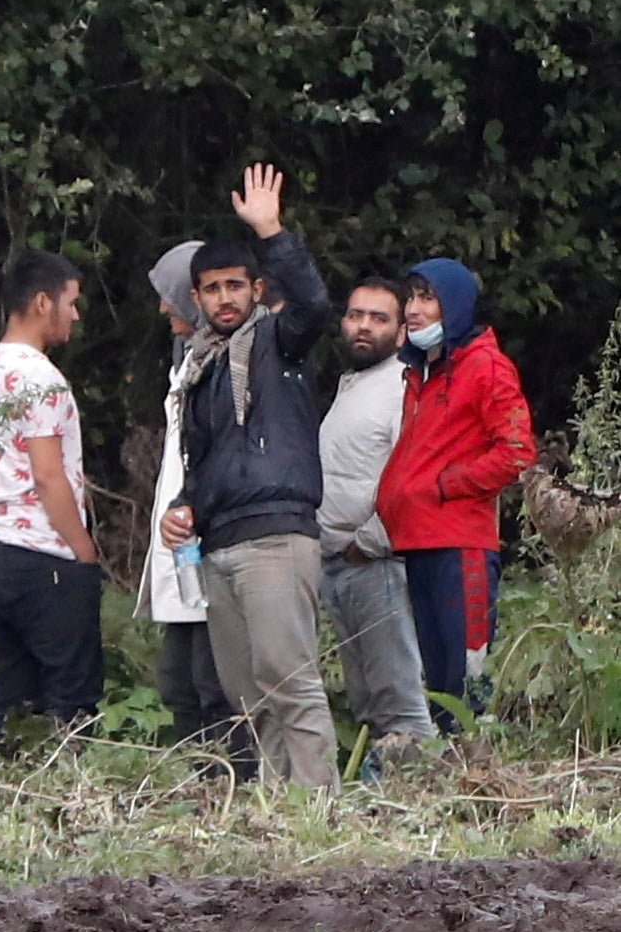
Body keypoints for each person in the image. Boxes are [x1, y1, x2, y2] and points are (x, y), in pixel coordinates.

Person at [158, 164, 340, 791]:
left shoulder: (279, 343)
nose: (224, 299)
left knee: (291, 681)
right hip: (220, 543)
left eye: (236, 285)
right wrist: (181, 507)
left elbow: (316, 305)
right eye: (211, 289)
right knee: (248, 696)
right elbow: (202, 461)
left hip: (276, 535)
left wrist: (272, 230)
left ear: (258, 288)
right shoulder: (200, 366)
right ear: (198, 297)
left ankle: (320, 815)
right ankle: (278, 812)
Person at [376, 258, 535, 731]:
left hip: (459, 543)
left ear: (455, 306)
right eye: (411, 298)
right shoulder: (424, 371)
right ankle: (449, 782)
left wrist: (449, 486)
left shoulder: (485, 366)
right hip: (420, 540)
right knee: (440, 683)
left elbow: (517, 450)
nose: (413, 310)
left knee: (466, 681)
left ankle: (479, 781)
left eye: (428, 298)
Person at [0, 249, 102, 744]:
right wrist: (82, 550)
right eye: (71, 302)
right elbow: (48, 475)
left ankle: (3, 793)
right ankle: (71, 796)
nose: (75, 314)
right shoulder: (40, 377)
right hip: (45, 552)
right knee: (71, 694)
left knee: (13, 690)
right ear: (43, 302)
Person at [135, 241, 247, 769]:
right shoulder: (190, 358)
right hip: (182, 545)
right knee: (178, 682)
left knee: (215, 682)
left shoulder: (234, 360)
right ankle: (192, 786)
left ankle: (230, 783)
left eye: (168, 295)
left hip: (214, 538)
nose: (163, 309)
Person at [318, 279, 436, 753]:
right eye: (354, 315)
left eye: (378, 317)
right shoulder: (355, 382)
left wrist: (367, 542)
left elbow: (413, 481)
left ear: (402, 332)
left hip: (377, 562)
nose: (363, 326)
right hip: (338, 562)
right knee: (367, 697)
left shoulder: (403, 387)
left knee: (399, 700)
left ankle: (427, 798)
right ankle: (382, 805)